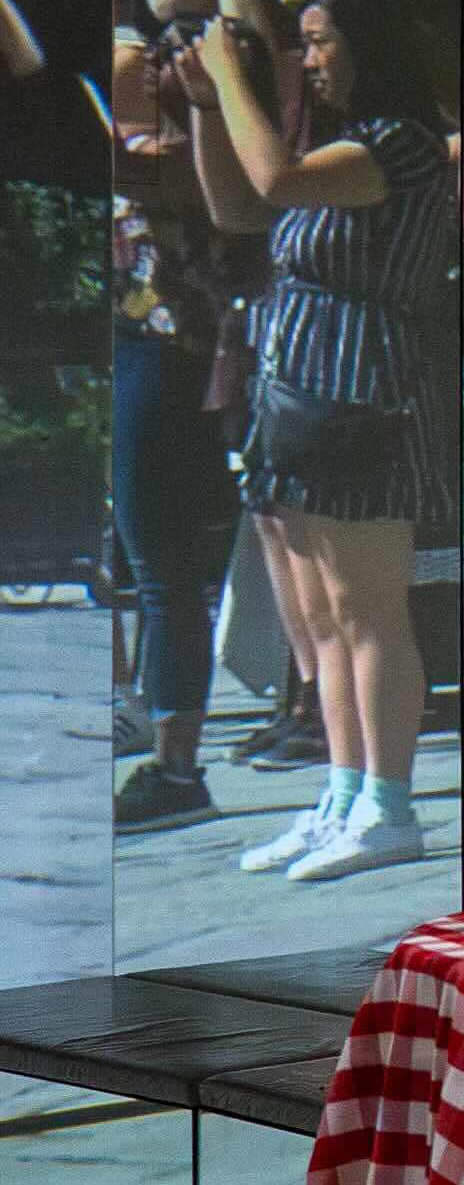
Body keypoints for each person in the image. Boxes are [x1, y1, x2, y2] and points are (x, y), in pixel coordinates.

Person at [177, 0, 448, 883]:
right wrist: (211, 92)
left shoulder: (397, 145)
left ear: (368, 46)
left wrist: (228, 75)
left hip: (360, 390)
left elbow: (274, 182)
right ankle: (341, 793)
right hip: (297, 389)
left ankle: (389, 805)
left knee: (366, 611)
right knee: (315, 620)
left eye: (324, 41)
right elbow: (241, 205)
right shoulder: (340, 142)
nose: (313, 56)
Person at [109, 196, 244, 832]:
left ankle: (177, 772)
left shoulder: (172, 161)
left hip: (160, 347)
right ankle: (175, 768)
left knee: (164, 578)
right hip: (157, 347)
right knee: (162, 579)